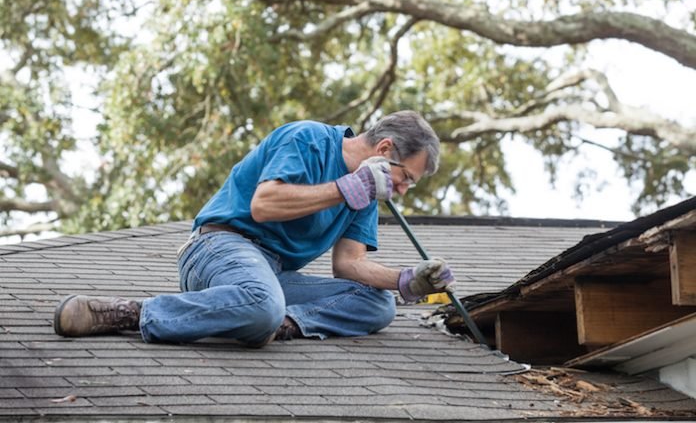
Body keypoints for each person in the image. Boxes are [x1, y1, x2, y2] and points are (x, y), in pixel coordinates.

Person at [53, 110, 456, 347]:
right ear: (385, 149)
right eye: (406, 178)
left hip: (272, 274)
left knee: (378, 303)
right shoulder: (309, 139)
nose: (401, 190)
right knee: (262, 302)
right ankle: (132, 313)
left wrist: (409, 281)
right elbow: (264, 206)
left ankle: (270, 321)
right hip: (219, 248)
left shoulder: (367, 193)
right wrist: (344, 189)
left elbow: (349, 266)